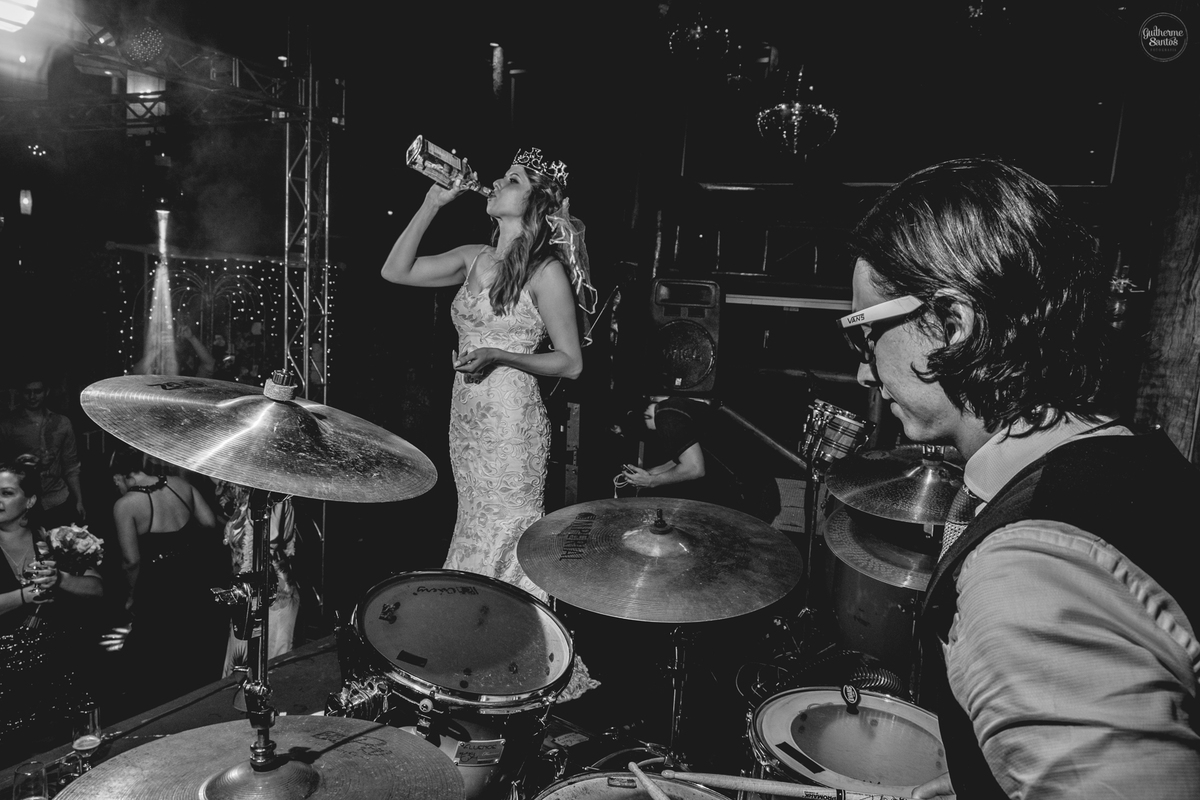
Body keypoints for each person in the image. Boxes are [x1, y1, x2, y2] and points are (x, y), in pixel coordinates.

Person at [839, 156, 1200, 798]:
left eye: (865, 335)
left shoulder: (1026, 569)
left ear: (952, 324)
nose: (864, 373)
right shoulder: (1127, 450)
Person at [381, 145, 599, 700]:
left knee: (507, 530)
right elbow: (394, 271)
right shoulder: (472, 256)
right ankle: (470, 656)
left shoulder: (546, 270)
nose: (497, 182)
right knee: (474, 524)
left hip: (511, 420)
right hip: (468, 421)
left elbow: (570, 362)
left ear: (534, 201)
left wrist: (503, 356)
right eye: (501, 176)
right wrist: (433, 201)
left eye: (513, 179)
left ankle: (515, 664)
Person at [0, 458, 103, 756]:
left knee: (66, 754)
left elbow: (98, 590)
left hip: (61, 673)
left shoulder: (56, 540)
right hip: (7, 681)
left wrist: (61, 579)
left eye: (7, 493)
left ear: (30, 500)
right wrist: (25, 596)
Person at [109, 447, 227, 704]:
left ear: (119, 477)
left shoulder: (125, 505)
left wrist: (130, 597)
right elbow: (209, 523)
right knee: (191, 649)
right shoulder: (179, 484)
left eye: (115, 483)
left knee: (156, 659)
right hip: (194, 578)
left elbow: (131, 561)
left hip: (158, 589)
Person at [213, 480, 300, 678]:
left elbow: (270, 539)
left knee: (271, 668)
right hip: (248, 594)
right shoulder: (248, 499)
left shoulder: (274, 497)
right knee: (241, 663)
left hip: (274, 594)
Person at [0, 375, 86, 527]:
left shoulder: (62, 423)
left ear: (46, 392)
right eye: (27, 392)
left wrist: (79, 500)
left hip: (58, 499)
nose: (32, 397)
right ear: (20, 393)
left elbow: (71, 465)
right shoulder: (8, 426)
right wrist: (27, 461)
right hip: (23, 503)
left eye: (37, 391)